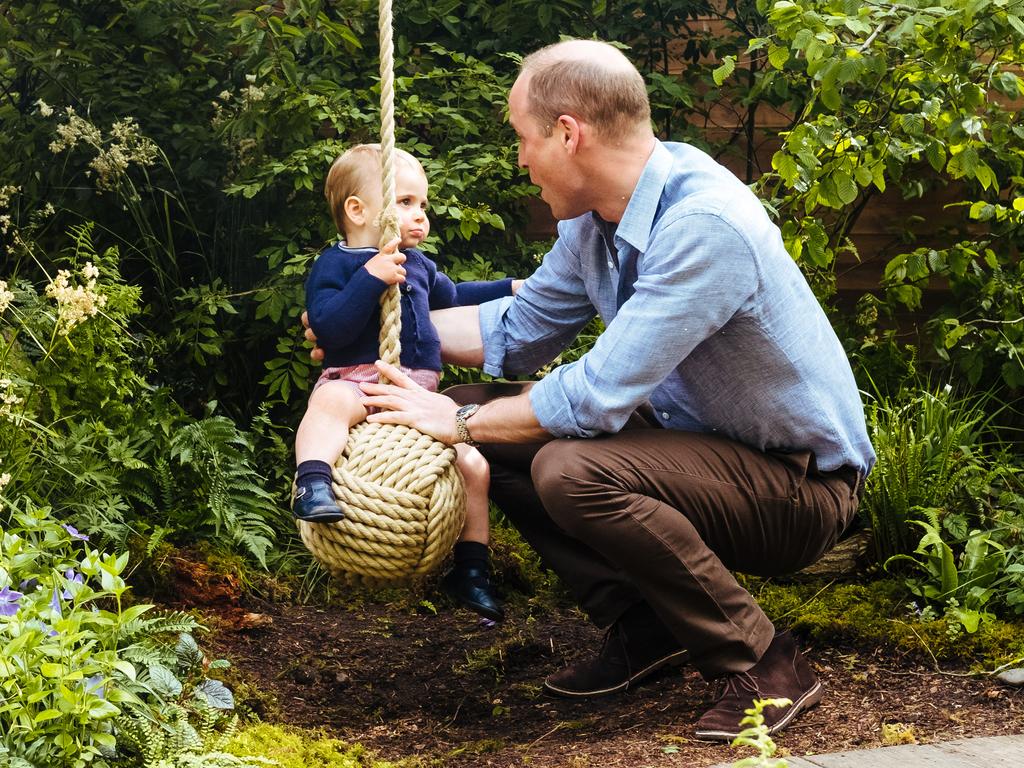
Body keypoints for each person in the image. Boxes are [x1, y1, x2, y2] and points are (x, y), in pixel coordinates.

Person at [309, 40, 875, 740]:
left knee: (563, 464)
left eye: (523, 138)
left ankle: (763, 663)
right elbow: (519, 330)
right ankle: (645, 625)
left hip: (797, 490)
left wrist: (452, 419)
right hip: (701, 454)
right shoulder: (594, 222)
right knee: (494, 417)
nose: (520, 159)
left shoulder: (703, 226)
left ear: (567, 133)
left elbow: (594, 397)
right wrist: (364, 330)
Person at [295, 143, 521, 622]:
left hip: (418, 396)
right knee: (330, 401)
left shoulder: (417, 263)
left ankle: (472, 569)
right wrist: (370, 278)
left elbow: (455, 296)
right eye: (405, 203)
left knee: (473, 465)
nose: (420, 216)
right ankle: (312, 482)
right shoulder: (335, 266)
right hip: (359, 381)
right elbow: (329, 327)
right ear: (357, 210)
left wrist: (509, 287)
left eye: (423, 205)